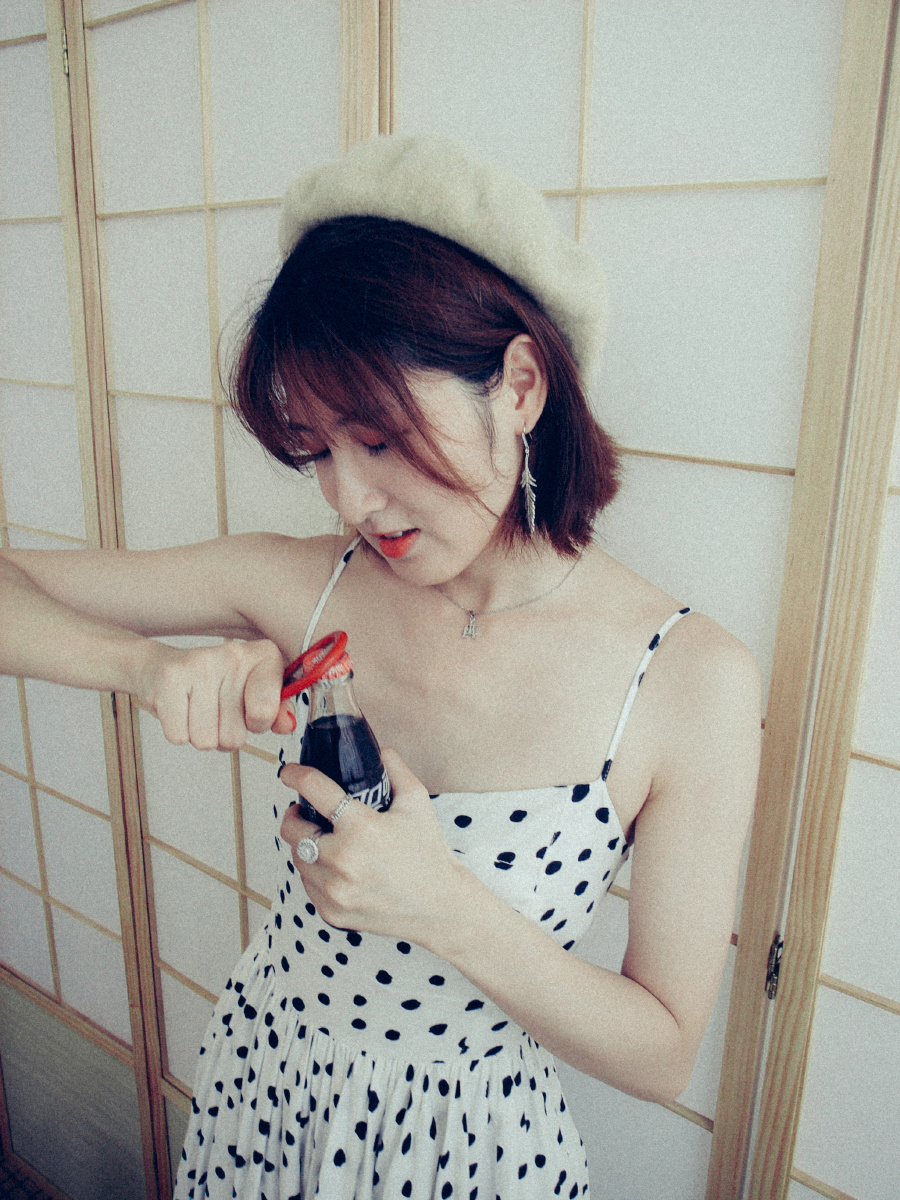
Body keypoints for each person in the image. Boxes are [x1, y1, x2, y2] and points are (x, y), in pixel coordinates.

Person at [0, 135, 760, 1199]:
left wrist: (439, 904)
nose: (351, 500)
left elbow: (664, 1051)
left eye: (381, 437)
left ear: (520, 386)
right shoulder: (300, 584)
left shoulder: (687, 678)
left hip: (470, 1149)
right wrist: (142, 668)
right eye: (317, 450)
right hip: (267, 1090)